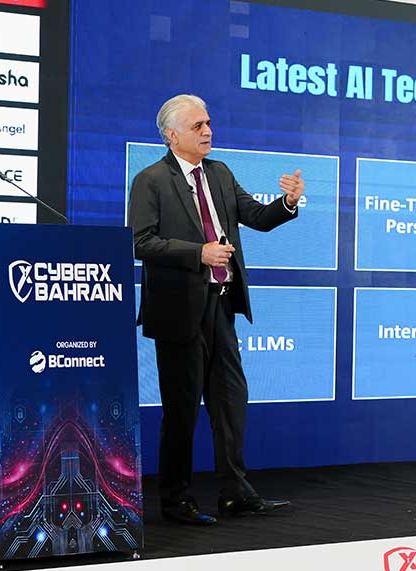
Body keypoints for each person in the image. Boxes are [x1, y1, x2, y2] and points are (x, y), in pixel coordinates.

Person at [128, 94, 305, 525]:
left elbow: (257, 217)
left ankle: (235, 493)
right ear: (172, 135)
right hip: (178, 311)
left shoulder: (220, 173)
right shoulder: (151, 180)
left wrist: (287, 203)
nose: (208, 131)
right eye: (197, 126)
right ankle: (176, 500)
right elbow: (139, 242)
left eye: (208, 123)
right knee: (182, 409)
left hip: (221, 306)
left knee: (230, 403)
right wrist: (199, 253)